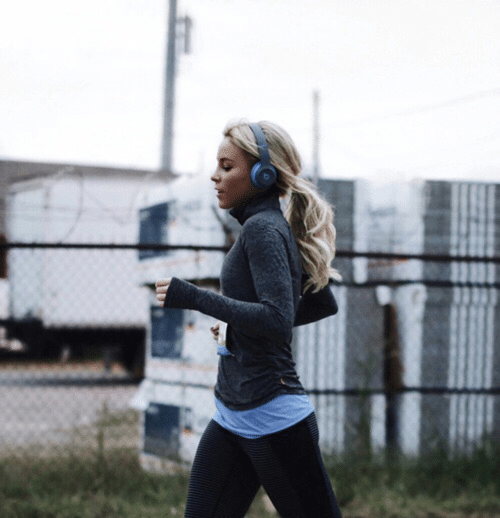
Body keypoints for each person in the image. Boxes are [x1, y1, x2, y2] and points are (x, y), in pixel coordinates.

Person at [156, 120, 343, 518]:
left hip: (272, 415)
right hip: (232, 413)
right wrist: (237, 326)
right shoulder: (268, 227)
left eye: (227, 167)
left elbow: (277, 319)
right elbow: (319, 303)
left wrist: (194, 297)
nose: (215, 175)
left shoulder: (263, 230)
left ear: (262, 174)